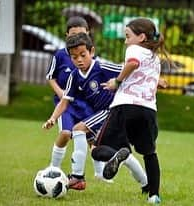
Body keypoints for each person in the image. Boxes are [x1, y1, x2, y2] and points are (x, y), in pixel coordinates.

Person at [43, 32, 148, 191]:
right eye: (74, 57)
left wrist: (154, 80)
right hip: (101, 115)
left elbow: (127, 70)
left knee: (78, 129)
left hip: (114, 110)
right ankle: (146, 183)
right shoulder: (74, 76)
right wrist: (52, 118)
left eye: (83, 55)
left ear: (92, 52)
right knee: (105, 151)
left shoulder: (102, 67)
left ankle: (77, 177)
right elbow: (64, 101)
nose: (79, 60)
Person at [93, 18, 169, 204]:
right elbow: (142, 75)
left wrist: (117, 82)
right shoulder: (155, 59)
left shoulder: (134, 50)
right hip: (148, 111)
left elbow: (133, 63)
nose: (126, 41)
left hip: (125, 106)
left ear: (141, 37)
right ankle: (154, 196)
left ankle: (118, 154)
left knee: (97, 150)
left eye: (128, 36)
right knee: (150, 153)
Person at [45, 16, 109, 185]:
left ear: (88, 34)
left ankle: (99, 173)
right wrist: (60, 93)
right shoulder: (59, 55)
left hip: (87, 105)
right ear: (67, 35)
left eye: (81, 34)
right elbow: (50, 77)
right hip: (66, 103)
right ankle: (53, 169)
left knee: (92, 138)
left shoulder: (91, 56)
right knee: (66, 133)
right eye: (73, 34)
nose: (77, 38)